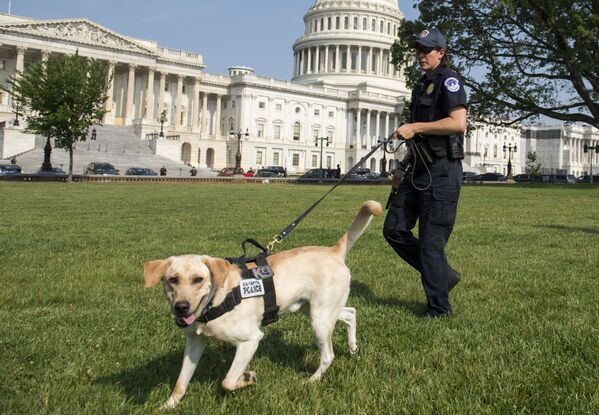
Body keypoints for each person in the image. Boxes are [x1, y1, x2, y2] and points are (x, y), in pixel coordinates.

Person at [383, 29, 467, 318]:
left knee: (431, 243)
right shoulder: (421, 86)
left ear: (441, 53)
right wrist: (401, 167)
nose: (421, 54)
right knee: (393, 229)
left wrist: (415, 127)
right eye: (419, 49)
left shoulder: (450, 81)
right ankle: (444, 275)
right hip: (417, 170)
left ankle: (438, 309)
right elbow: (418, 140)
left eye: (427, 50)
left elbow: (458, 123)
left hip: (443, 172)